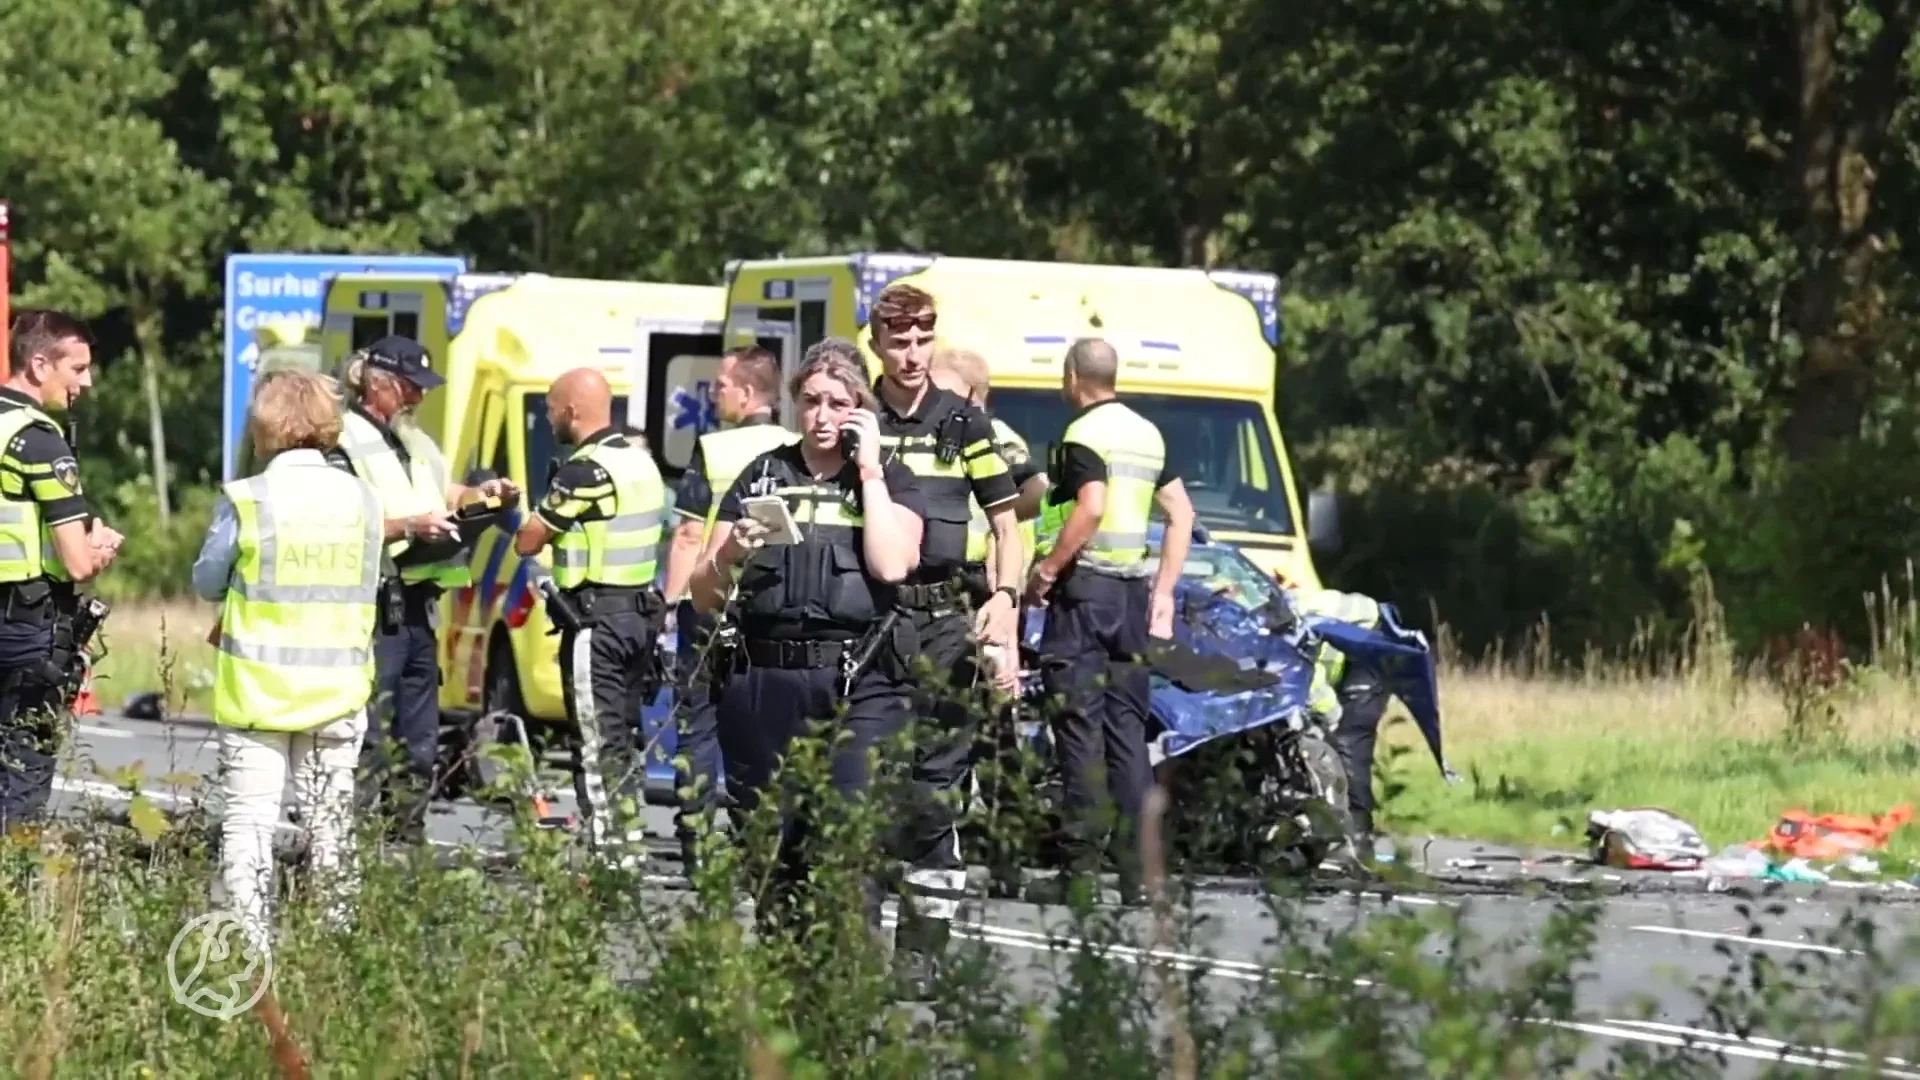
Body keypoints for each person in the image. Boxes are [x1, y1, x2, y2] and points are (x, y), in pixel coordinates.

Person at [687, 338, 924, 939]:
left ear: (861, 409)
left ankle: (846, 1003)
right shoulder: (765, 473)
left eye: (838, 403)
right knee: (771, 858)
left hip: (856, 685)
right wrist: (734, 550)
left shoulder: (890, 476)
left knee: (848, 849)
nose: (822, 416)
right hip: (765, 683)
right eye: (812, 401)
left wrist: (869, 469)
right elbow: (704, 593)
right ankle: (784, 1002)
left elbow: (893, 565)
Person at [191, 369, 385, 955]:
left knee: (249, 821)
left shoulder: (249, 499)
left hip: (259, 690)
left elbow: (206, 581)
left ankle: (251, 947)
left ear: (265, 426)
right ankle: (337, 945)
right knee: (332, 822)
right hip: (338, 687)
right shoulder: (364, 498)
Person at [863, 286, 1024, 989]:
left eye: (923, 341)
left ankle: (922, 953)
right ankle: (855, 946)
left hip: (943, 623)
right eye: (898, 342)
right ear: (877, 346)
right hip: (865, 620)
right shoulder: (853, 415)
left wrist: (1008, 602)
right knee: (859, 788)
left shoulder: (963, 424)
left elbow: (1008, 526)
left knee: (933, 793)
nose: (911, 355)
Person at [1024, 337, 1195, 905]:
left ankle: (1079, 876)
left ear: (1073, 377)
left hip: (1084, 597)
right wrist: (1164, 592)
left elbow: (1090, 506)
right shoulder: (1148, 433)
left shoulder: (1082, 435)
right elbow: (1181, 514)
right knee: (1127, 735)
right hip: (1130, 601)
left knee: (1078, 729)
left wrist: (1047, 570)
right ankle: (1138, 876)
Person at [330, 335, 519, 845]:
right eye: (410, 387)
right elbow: (345, 519)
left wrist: (483, 496)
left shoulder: (412, 439)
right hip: (373, 602)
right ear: (376, 383)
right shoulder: (341, 438)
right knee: (370, 729)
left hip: (418, 604)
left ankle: (407, 832)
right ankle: (353, 835)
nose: (418, 397)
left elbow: (446, 492)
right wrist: (411, 527)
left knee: (419, 734)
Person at [513, 367, 669, 871]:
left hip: (594, 624)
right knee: (621, 738)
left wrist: (512, 512)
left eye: (551, 409)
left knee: (595, 741)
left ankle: (611, 857)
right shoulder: (641, 463)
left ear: (571, 412)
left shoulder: (584, 471)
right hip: (638, 617)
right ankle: (627, 839)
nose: (549, 417)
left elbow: (529, 539)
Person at [659, 346, 796, 871]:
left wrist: (671, 606)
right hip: (768, 605)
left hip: (712, 599)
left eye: (721, 385)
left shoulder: (715, 448)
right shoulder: (797, 446)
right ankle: (758, 839)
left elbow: (690, 533)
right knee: (762, 726)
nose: (715, 393)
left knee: (698, 723)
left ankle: (696, 840)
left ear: (747, 392)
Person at [0, 310, 122, 834]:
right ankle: (16, 902)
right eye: (78, 368)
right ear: (39, 363)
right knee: (24, 769)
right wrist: (102, 547)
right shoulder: (39, 441)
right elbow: (77, 562)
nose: (87, 383)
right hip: (25, 625)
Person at [1279, 574, 1390, 840]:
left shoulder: (1288, 634)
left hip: (1370, 640)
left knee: (1348, 741)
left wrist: (1324, 723)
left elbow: (1316, 691)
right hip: (1338, 642)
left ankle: (1358, 833)